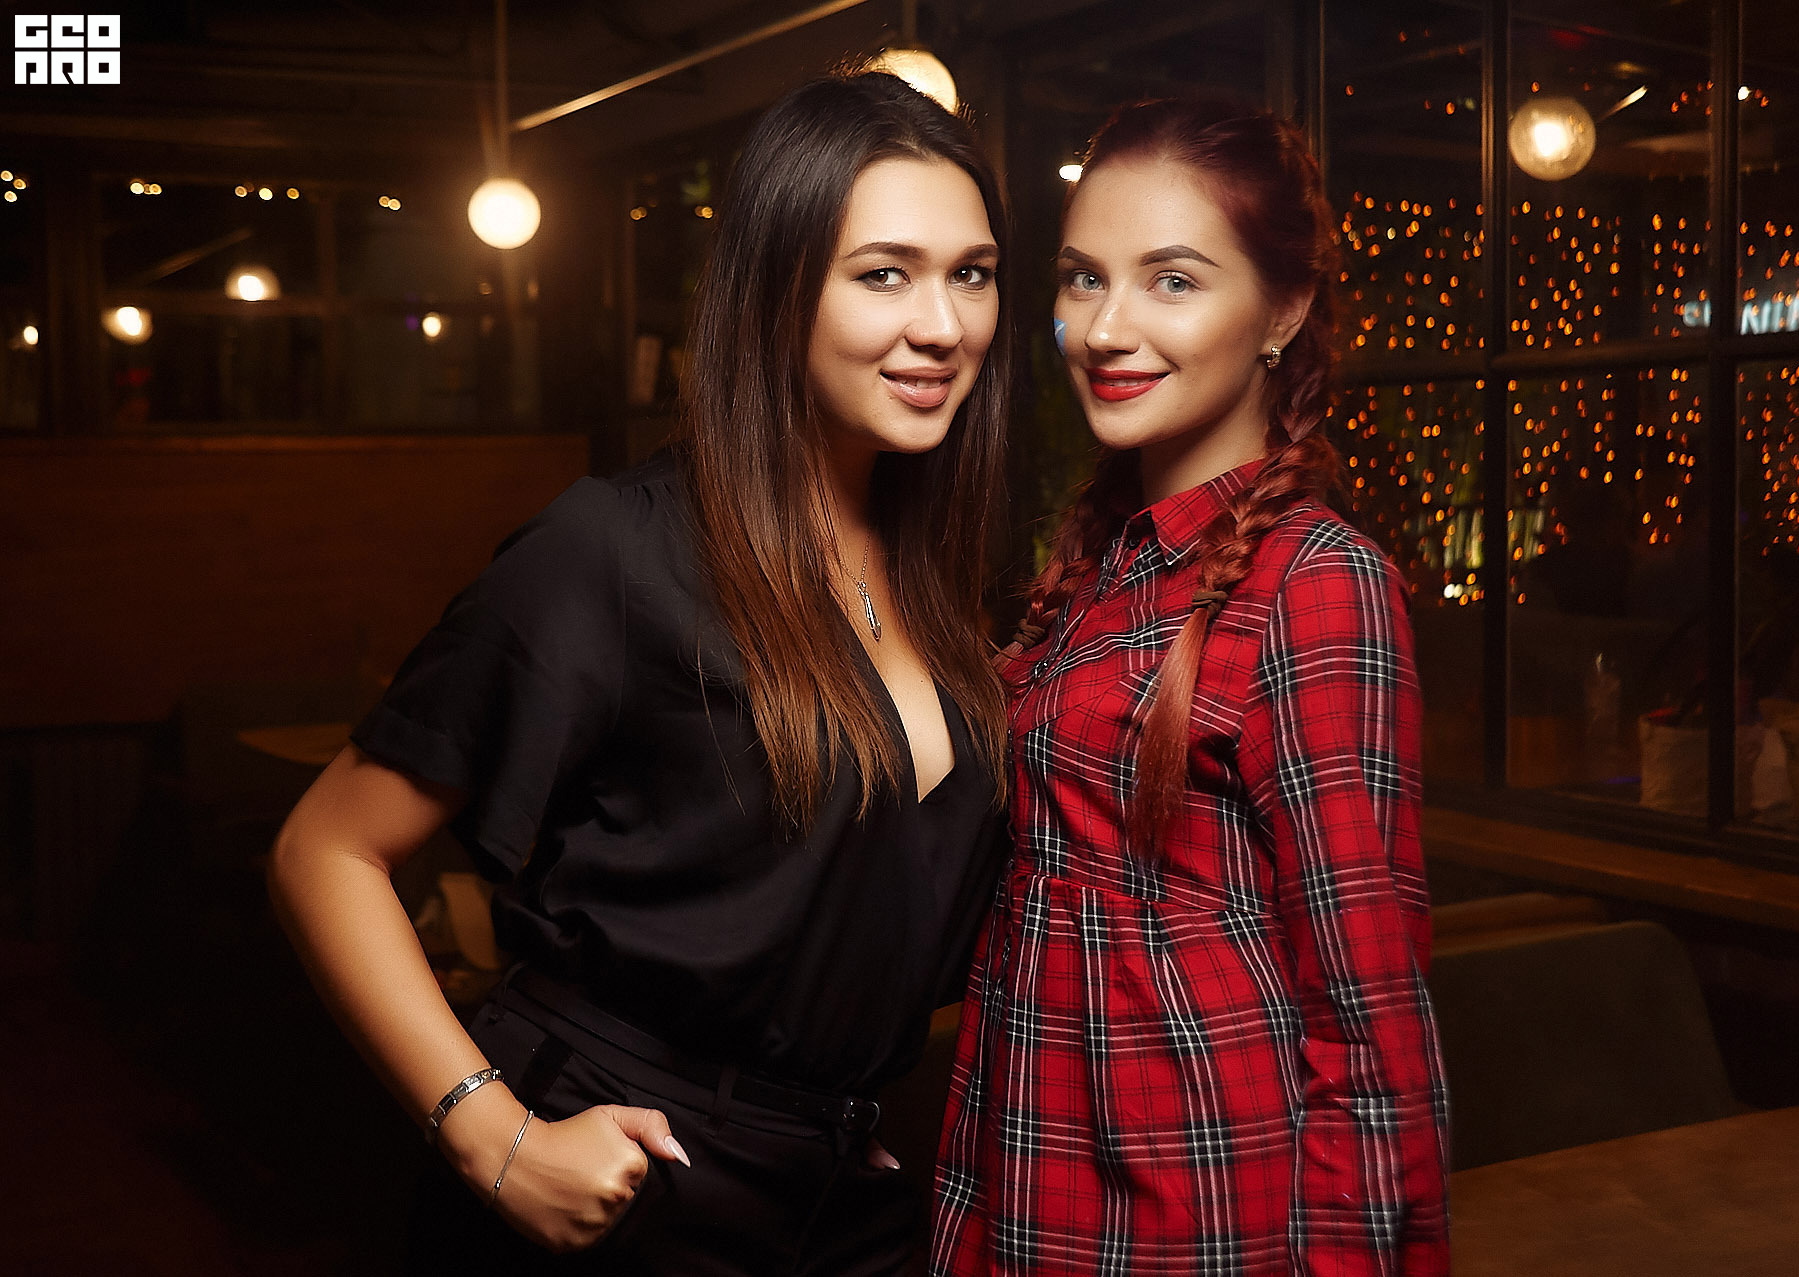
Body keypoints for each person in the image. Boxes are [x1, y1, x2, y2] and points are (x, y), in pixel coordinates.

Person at [268, 71, 1013, 1276]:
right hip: (622, 1176)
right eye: (884, 273)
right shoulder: (614, 550)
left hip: (840, 1193)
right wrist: (496, 1139)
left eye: (971, 273)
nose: (942, 324)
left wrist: (819, 1108)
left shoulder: (939, 574)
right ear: (777, 290)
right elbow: (325, 850)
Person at [930, 97, 1451, 1275]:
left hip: (1196, 1203)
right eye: (1083, 278)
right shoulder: (1108, 562)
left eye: (1172, 279)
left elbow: (1369, 1022)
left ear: (1285, 308)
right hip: (1028, 1167)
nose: (1106, 328)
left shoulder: (1316, 581)